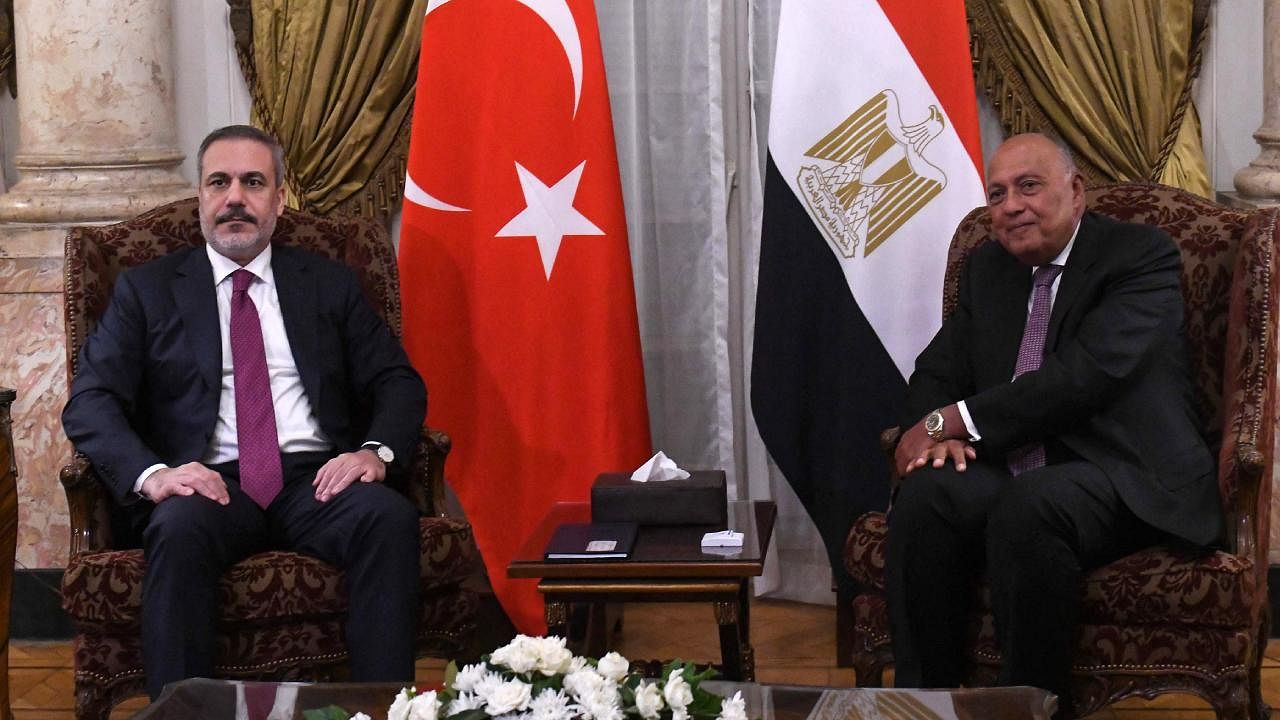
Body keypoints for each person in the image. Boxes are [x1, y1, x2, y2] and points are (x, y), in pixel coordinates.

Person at [62, 125, 426, 698]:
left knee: (387, 517)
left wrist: (373, 453)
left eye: (253, 182)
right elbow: (90, 401)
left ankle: (377, 710)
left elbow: (396, 381)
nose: (235, 198)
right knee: (177, 528)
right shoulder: (147, 290)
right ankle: (182, 715)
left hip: (315, 480)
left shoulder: (327, 283)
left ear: (279, 199)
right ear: (200, 197)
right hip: (207, 483)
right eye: (219, 182)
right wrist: (155, 475)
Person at [884, 133, 1223, 707]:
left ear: (1076, 191)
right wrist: (931, 436)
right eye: (997, 194)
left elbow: (1083, 377)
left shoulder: (1138, 256)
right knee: (927, 496)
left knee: (1032, 505)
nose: (1011, 206)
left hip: (1120, 471)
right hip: (1014, 466)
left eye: (1029, 186)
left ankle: (1030, 709)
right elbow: (938, 369)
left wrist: (954, 421)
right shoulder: (988, 269)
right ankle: (925, 705)